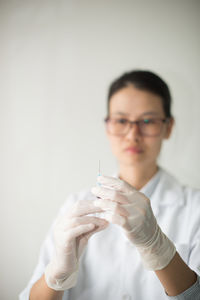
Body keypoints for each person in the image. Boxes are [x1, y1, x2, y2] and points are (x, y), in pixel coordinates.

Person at [19, 70, 200, 300]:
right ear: (108, 126)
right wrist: (57, 275)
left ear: (168, 127)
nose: (133, 134)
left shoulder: (195, 208)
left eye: (148, 121)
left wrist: (159, 248)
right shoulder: (76, 206)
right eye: (122, 120)